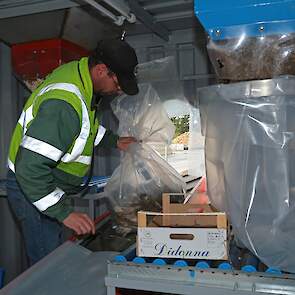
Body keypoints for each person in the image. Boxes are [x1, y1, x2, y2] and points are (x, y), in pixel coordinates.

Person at [6, 38, 139, 265]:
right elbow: (29, 168)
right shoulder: (64, 103)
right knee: (47, 268)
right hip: (33, 188)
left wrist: (114, 141)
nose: (119, 90)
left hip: (46, 186)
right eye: (118, 82)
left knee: (56, 257)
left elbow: (83, 127)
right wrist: (63, 212)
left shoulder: (81, 79)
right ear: (100, 70)